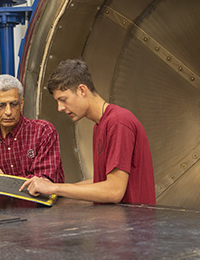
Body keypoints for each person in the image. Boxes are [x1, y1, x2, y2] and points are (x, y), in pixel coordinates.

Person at [20, 59, 155, 204]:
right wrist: (53, 191)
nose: (60, 108)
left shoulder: (118, 122)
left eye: (63, 99)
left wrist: (55, 188)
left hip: (133, 225)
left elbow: (114, 191)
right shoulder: (100, 125)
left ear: (82, 90)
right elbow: (101, 181)